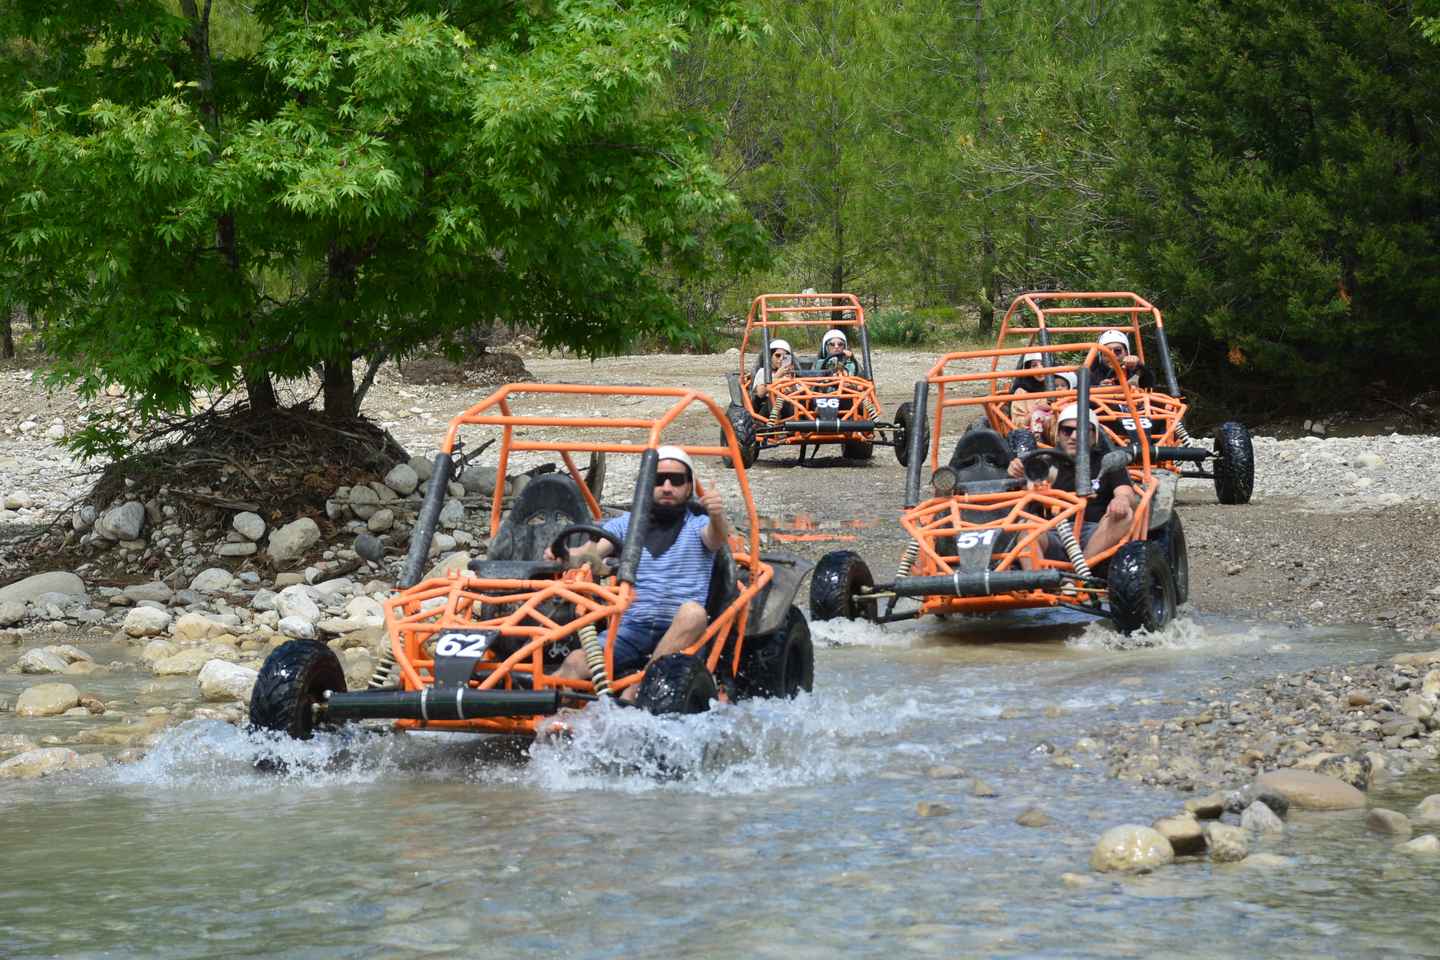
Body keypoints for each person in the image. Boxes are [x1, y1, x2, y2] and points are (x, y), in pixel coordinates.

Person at [548, 446, 729, 699]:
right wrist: (564, 554)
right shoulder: (627, 524)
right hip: (632, 629)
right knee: (574, 663)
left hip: (681, 631)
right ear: (646, 485)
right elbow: (591, 553)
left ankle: (640, 688)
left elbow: (718, 537)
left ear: (689, 487)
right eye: (658, 479)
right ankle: (561, 725)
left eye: (676, 480)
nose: (667, 487)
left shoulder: (698, 525)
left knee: (693, 613)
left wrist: (717, 515)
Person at [1007, 402, 1136, 562]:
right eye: (1067, 430)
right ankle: (1038, 583)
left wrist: (1121, 500)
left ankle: (1081, 574)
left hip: (1096, 534)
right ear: (1058, 433)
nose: (1074, 437)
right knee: (1026, 527)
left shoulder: (1106, 461)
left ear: (1094, 435)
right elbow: (1027, 494)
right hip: (1052, 533)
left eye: (1081, 431)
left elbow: (1125, 492)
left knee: (1125, 515)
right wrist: (1017, 473)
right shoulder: (1046, 462)